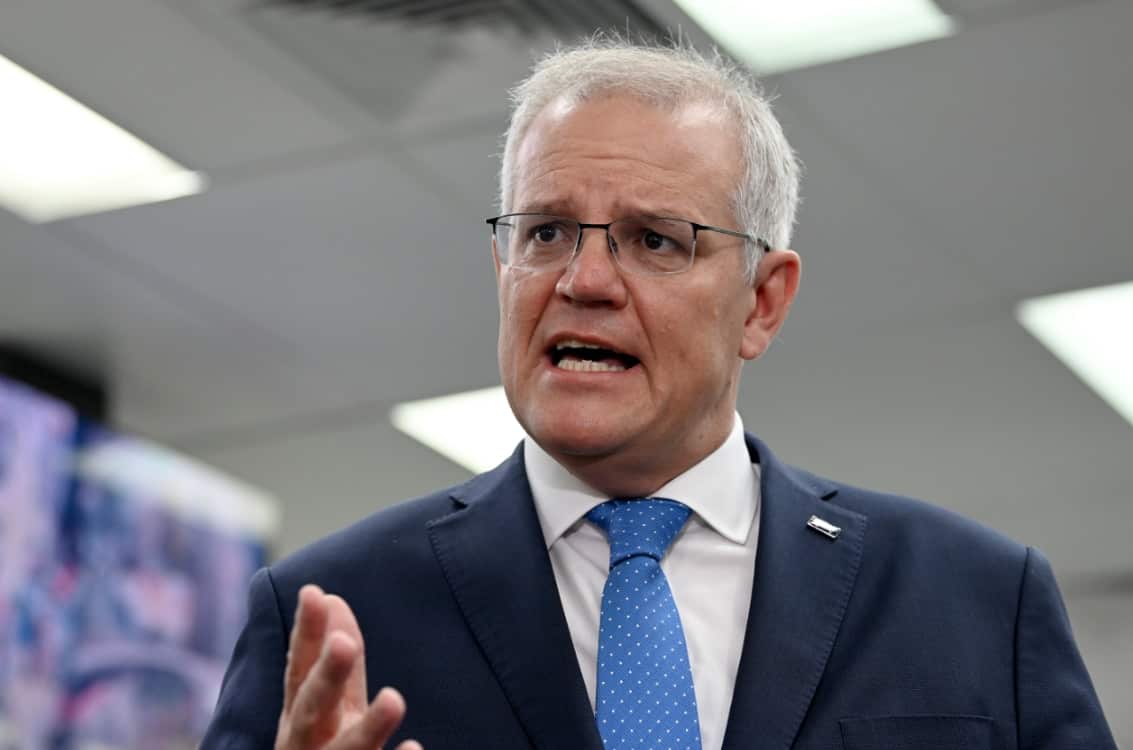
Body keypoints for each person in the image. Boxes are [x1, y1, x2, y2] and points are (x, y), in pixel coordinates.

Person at [201, 39, 1116, 750]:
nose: (584, 279)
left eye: (654, 241)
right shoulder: (331, 614)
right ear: (501, 266)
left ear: (762, 302)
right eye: (547, 230)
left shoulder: (976, 600)